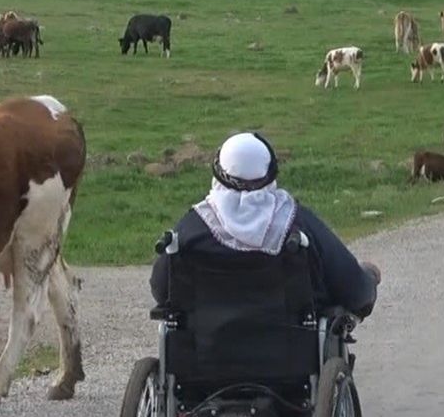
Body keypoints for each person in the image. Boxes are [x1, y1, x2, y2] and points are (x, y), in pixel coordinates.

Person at [149, 131, 380, 319]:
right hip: (292, 359)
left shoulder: (192, 229)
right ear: (270, 174)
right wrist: (369, 280)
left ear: (218, 173)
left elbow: (162, 291)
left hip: (203, 357)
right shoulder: (296, 224)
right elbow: (354, 291)